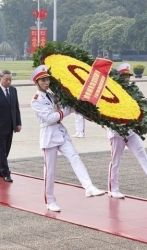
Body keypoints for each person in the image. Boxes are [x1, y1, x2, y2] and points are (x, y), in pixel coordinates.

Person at [30, 65, 105, 212]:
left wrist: (75, 105)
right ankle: (50, 201)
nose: (46, 82)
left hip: (61, 133)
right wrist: (66, 110)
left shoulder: (52, 96)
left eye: (47, 79)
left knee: (75, 157)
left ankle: (89, 186)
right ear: (36, 82)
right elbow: (50, 118)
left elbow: (64, 108)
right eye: (43, 80)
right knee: (50, 171)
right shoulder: (36, 100)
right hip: (49, 135)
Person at [107, 63, 147, 199]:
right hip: (117, 132)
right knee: (116, 161)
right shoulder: (111, 91)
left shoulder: (132, 91)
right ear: (118, 77)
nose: (127, 79)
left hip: (130, 129)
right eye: (124, 76)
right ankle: (113, 189)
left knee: (142, 153)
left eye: (128, 76)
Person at [0, 69, 22, 183]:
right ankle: (5, 173)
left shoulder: (13, 90)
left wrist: (18, 123)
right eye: (6, 79)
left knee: (6, 150)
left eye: (10, 79)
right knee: (1, 151)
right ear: (0, 79)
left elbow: (16, 108)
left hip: (10, 126)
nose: (8, 81)